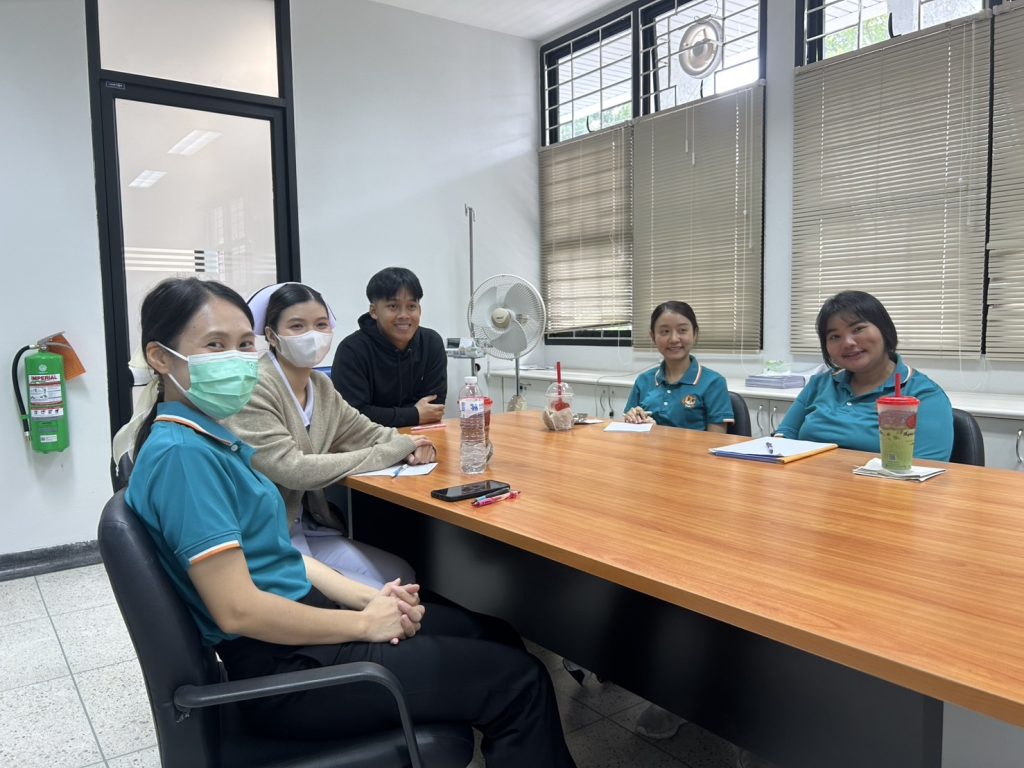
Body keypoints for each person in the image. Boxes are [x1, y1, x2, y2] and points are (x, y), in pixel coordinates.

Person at [124, 277, 576, 766]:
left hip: (298, 625)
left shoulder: (212, 439)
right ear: (161, 357)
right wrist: (363, 623)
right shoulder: (183, 456)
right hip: (286, 669)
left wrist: (368, 597)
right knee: (520, 681)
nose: (235, 359)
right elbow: (238, 611)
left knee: (494, 633)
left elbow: (279, 555)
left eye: (242, 345)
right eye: (215, 345)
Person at [224, 282, 425, 587]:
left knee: (401, 573)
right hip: (266, 537)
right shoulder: (255, 388)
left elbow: (363, 431)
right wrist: (391, 451)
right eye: (297, 326)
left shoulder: (320, 386)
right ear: (271, 335)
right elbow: (294, 469)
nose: (312, 335)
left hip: (308, 526)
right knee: (381, 592)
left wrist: (410, 445)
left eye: (320, 325)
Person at [775, 290, 953, 460]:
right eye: (835, 336)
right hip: (806, 479)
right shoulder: (820, 384)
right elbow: (784, 436)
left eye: (858, 329)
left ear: (884, 329)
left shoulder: (924, 395)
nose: (848, 343)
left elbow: (926, 468)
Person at [332, 267, 447, 427]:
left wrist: (384, 414)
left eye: (411, 306)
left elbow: (433, 408)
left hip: (421, 435)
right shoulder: (351, 350)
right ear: (374, 311)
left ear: (419, 310)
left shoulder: (431, 343)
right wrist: (413, 414)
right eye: (393, 306)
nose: (404, 315)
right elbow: (352, 416)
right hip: (368, 439)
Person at [624, 301, 733, 433]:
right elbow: (629, 433)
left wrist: (657, 433)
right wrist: (633, 419)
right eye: (665, 331)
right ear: (653, 337)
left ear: (695, 334)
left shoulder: (714, 383)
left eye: (682, 330)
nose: (674, 339)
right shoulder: (643, 380)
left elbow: (716, 441)